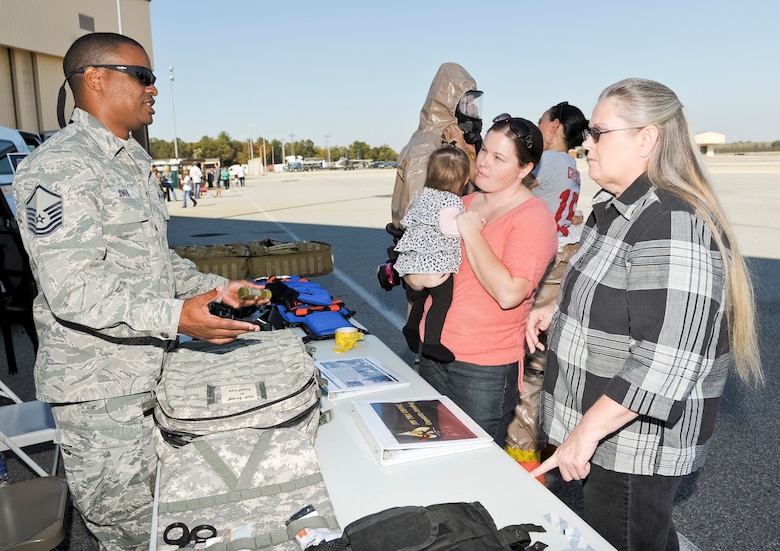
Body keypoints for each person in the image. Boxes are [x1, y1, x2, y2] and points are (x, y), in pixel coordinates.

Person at [12, 32, 268, 551]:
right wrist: (178, 317)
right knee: (132, 534)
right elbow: (75, 290)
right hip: (101, 391)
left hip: (151, 372)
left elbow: (154, 264)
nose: (154, 90)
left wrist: (217, 290)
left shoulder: (127, 161)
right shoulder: (61, 166)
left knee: (172, 521)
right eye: (143, 77)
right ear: (97, 78)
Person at [526, 78, 763, 550]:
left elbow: (666, 360)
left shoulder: (672, 221)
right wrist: (562, 307)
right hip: (614, 433)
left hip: (633, 448)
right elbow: (628, 292)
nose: (585, 142)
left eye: (599, 131)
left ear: (646, 139)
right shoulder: (622, 209)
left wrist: (583, 436)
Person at [415, 114, 558, 445]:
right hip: (434, 350)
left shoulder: (533, 218)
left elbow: (509, 293)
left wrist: (469, 231)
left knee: (473, 469)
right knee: (430, 450)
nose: (483, 164)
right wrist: (416, 274)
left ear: (525, 169)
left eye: (499, 158)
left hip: (483, 369)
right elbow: (424, 272)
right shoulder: (460, 202)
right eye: (484, 152)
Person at [379, 62, 483, 292]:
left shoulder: (453, 142)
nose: (473, 112)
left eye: (474, 104)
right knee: (425, 320)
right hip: (431, 257)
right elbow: (420, 213)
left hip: (446, 246)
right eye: (467, 103)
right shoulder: (427, 148)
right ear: (449, 104)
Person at [394, 144, 472, 364]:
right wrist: (468, 226)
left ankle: (411, 327)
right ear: (463, 180)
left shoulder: (425, 195)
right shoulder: (452, 201)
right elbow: (448, 228)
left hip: (415, 259)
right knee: (442, 299)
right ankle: (431, 343)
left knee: (420, 297)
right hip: (435, 262)